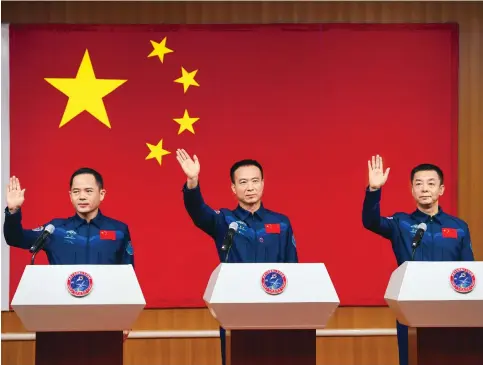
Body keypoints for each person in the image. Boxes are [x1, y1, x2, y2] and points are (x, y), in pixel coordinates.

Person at [176, 149, 298, 365]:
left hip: (276, 311)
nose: (250, 187)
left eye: (254, 181)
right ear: (233, 188)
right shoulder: (224, 220)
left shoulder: (282, 223)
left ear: (262, 183)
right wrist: (193, 181)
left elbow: (294, 269)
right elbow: (197, 211)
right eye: (243, 182)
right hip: (235, 308)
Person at [362, 155, 474, 365]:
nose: (424, 189)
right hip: (411, 308)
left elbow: (469, 273)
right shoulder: (400, 223)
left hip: (450, 310)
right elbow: (370, 221)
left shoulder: (459, 227)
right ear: (412, 190)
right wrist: (374, 190)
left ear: (441, 189)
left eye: (431, 184)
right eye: (418, 184)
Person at [3, 167, 134, 267]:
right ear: (70, 196)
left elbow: (129, 275)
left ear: (101, 194)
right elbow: (15, 238)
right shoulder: (55, 229)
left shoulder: (119, 230)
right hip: (63, 301)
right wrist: (13, 211)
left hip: (107, 301)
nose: (82, 197)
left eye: (88, 191)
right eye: (76, 192)